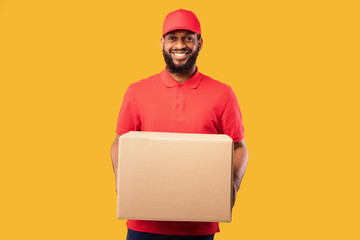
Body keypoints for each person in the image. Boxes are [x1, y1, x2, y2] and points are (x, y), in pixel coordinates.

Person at [111, 9, 249, 240]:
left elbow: (238, 146)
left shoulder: (223, 93)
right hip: (144, 222)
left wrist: (232, 185)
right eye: (173, 38)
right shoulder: (137, 91)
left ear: (199, 42)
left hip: (198, 224)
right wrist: (121, 180)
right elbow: (119, 142)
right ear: (162, 42)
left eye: (188, 37)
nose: (180, 44)